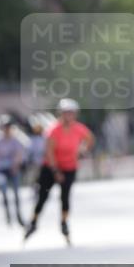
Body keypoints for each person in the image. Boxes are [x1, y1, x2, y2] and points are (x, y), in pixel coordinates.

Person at [25, 99, 95, 245]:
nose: (69, 116)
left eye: (71, 113)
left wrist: (83, 150)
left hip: (70, 166)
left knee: (65, 197)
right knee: (43, 196)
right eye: (66, 113)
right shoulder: (53, 130)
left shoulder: (78, 128)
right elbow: (49, 152)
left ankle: (64, 223)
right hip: (51, 167)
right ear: (61, 114)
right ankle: (34, 221)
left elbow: (90, 139)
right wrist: (55, 171)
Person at [0, 118, 25, 227]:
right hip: (1, 169)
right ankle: (8, 216)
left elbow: (19, 155)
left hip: (13, 169)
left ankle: (18, 216)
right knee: (4, 193)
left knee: (16, 193)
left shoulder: (15, 141)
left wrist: (15, 166)